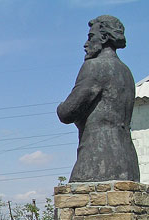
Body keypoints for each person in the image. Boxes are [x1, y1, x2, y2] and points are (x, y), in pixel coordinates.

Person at [57, 15, 138, 182]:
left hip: (96, 160)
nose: (86, 44)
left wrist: (60, 107)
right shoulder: (126, 72)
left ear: (104, 37)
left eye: (90, 37)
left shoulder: (95, 67)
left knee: (79, 203)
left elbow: (67, 113)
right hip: (128, 162)